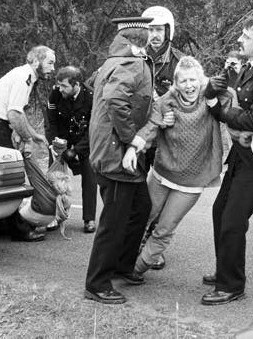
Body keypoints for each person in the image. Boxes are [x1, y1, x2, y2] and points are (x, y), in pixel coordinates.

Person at [201, 14, 253, 306]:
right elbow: (221, 96)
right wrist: (216, 88)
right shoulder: (247, 67)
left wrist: (221, 111)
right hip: (241, 152)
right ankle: (225, 269)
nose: (240, 40)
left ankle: (231, 285)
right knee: (219, 212)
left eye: (246, 37)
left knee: (233, 220)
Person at [130, 56, 230, 277]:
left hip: (192, 180)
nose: (189, 86)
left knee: (164, 229)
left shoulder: (210, 96)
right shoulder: (166, 101)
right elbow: (151, 125)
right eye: (183, 81)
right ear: (176, 83)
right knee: (141, 217)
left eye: (193, 80)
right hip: (162, 172)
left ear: (201, 80)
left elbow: (236, 103)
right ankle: (121, 261)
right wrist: (134, 146)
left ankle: (136, 270)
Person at [84, 16, 154, 305]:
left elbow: (97, 88)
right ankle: (97, 283)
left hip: (115, 152)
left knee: (141, 207)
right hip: (117, 155)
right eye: (150, 33)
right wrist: (132, 139)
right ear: (140, 39)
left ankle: (123, 265)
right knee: (114, 220)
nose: (153, 36)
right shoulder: (130, 63)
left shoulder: (116, 60)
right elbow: (114, 99)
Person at [0, 45, 55, 242]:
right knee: (10, 180)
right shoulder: (24, 77)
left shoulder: (25, 75)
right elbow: (13, 113)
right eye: (50, 62)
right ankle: (18, 231)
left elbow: (18, 112)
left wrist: (33, 134)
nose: (53, 68)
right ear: (36, 61)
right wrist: (27, 139)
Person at [138, 5, 184, 270]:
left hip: (166, 139)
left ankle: (152, 244)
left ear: (168, 31)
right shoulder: (135, 57)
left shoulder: (179, 62)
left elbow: (190, 99)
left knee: (161, 195)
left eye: (159, 29)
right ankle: (132, 237)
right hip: (138, 137)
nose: (154, 35)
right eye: (150, 29)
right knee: (136, 192)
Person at [46, 66, 97, 233]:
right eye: (58, 85)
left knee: (89, 173)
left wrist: (76, 151)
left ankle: (89, 218)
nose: (60, 89)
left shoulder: (91, 96)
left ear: (76, 84)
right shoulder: (55, 94)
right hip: (61, 138)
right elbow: (52, 121)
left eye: (64, 86)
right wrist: (54, 143)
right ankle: (52, 215)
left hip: (83, 140)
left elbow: (93, 129)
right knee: (53, 176)